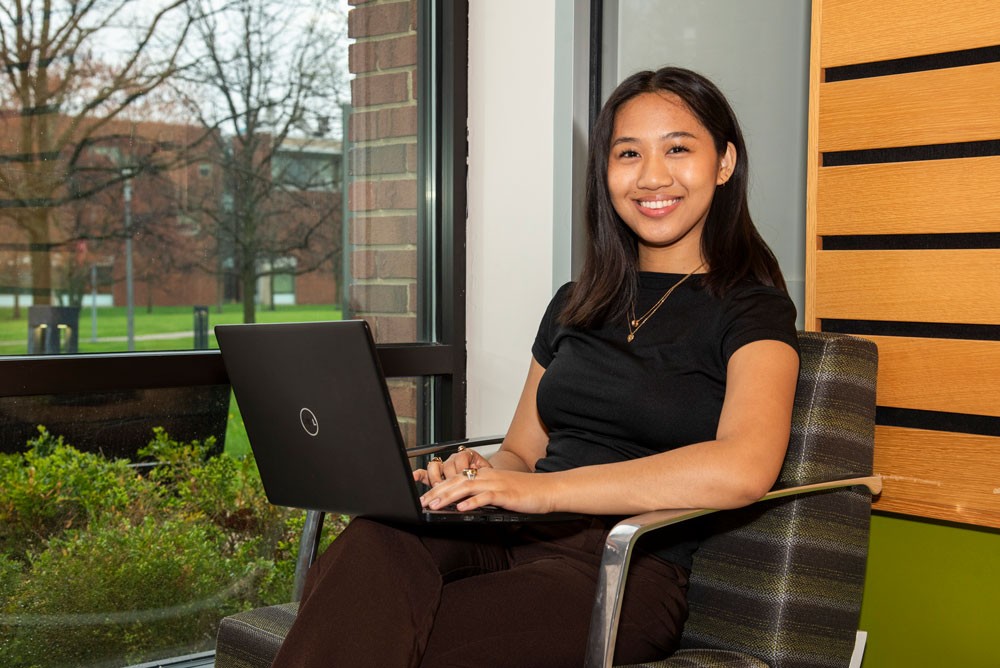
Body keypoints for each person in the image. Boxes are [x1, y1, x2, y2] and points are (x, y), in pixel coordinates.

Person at [270, 66, 800, 668]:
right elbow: (521, 452)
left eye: (678, 148)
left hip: (619, 572)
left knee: (394, 642)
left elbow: (744, 467)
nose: (653, 176)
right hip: (507, 535)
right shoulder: (577, 302)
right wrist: (482, 473)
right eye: (628, 153)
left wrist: (540, 492)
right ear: (606, 172)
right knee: (376, 538)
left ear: (725, 163)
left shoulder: (753, 309)